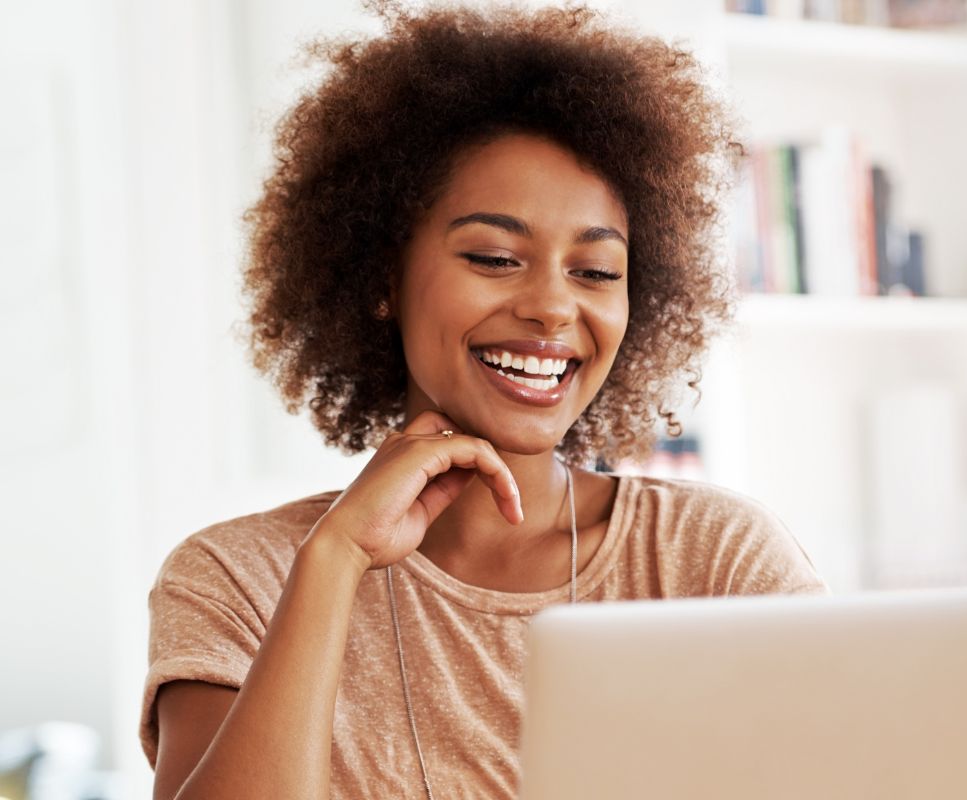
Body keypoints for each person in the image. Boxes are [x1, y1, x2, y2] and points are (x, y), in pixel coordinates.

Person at [139, 3, 827, 798]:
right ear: (380, 278)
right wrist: (334, 562)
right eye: (496, 257)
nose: (552, 308)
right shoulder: (236, 578)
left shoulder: (712, 561)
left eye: (596, 272)